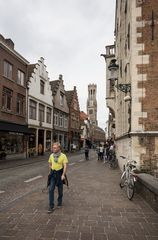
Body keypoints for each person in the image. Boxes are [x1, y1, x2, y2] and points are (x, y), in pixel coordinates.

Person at [48, 142, 68, 213]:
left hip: (60, 174)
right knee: (51, 189)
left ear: (59, 148)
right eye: (53, 147)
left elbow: (65, 166)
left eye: (55, 148)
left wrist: (63, 175)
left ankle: (59, 201)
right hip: (53, 174)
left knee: (60, 191)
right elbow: (50, 164)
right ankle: (51, 206)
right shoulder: (51, 156)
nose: (53, 149)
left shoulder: (63, 156)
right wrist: (50, 172)